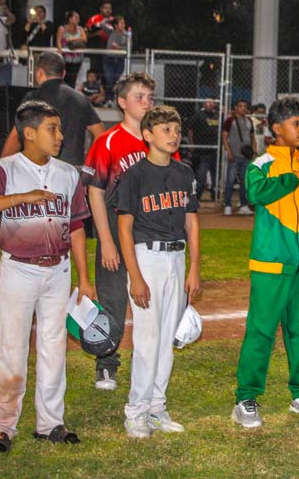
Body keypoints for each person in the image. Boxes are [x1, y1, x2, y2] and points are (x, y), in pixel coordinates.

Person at [0, 100, 91, 453]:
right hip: (19, 268)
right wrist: (23, 197)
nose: (60, 136)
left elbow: (77, 225)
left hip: (59, 270)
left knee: (54, 347)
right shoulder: (5, 169)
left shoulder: (68, 173)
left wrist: (85, 278)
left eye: (60, 129)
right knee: (12, 346)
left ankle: (50, 423)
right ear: (29, 133)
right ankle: (2, 426)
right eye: (52, 129)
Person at [232, 97, 299, 429]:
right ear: (276, 128)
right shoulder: (261, 166)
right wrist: (290, 179)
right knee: (260, 332)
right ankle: (246, 398)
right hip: (270, 267)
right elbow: (257, 193)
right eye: (296, 124)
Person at [115, 105, 200, 438]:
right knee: (148, 339)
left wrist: (195, 267)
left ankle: (156, 407)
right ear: (147, 135)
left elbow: (191, 222)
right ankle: (135, 412)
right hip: (146, 257)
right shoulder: (134, 175)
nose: (173, 135)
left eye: (176, 129)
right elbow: (125, 228)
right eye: (165, 129)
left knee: (167, 339)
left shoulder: (184, 173)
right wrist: (135, 276)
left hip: (176, 258)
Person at [80, 72, 156, 392]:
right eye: (140, 97)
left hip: (149, 231)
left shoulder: (158, 139)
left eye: (150, 97)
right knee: (112, 300)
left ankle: (149, 364)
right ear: (122, 102)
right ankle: (107, 364)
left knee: (150, 299)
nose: (147, 102)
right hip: (114, 227)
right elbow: (94, 192)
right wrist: (106, 240)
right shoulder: (108, 141)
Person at [0, 52, 105, 165]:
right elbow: (101, 134)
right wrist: (88, 163)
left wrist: (1, 169)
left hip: (41, 173)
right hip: (72, 173)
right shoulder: (81, 99)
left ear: (39, 73)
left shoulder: (33, 98)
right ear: (63, 74)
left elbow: (16, 138)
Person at [221, 99, 256, 215]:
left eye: (245, 106)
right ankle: (227, 205)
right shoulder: (230, 121)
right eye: (240, 106)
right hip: (234, 155)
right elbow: (224, 137)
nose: (243, 109)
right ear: (236, 108)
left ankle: (244, 205)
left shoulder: (249, 121)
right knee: (230, 181)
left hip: (246, 156)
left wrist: (254, 151)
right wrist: (229, 152)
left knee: (245, 182)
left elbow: (252, 137)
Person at [187, 99, 220, 202]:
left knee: (216, 176)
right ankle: (197, 196)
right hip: (202, 150)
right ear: (203, 104)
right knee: (201, 175)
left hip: (215, 150)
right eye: (208, 102)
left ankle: (215, 196)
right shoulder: (199, 115)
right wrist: (191, 143)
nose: (210, 104)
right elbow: (190, 129)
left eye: (212, 102)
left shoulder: (216, 115)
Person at [57, 11, 87, 88]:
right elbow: (58, 41)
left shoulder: (80, 29)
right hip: (66, 58)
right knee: (64, 78)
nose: (78, 20)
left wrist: (71, 39)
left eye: (78, 18)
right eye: (76, 18)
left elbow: (84, 39)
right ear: (70, 19)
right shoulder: (62, 28)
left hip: (77, 58)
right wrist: (60, 55)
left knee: (73, 79)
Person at [85, 1, 115, 75]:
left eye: (110, 8)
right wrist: (96, 34)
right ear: (101, 9)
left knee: (108, 74)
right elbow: (85, 34)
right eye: (106, 8)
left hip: (110, 51)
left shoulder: (114, 20)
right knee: (95, 73)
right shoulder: (94, 19)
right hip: (96, 50)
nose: (108, 10)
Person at [104, 16, 129, 103]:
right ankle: (108, 100)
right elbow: (102, 24)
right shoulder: (111, 32)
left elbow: (129, 48)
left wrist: (119, 47)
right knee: (109, 79)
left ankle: (114, 99)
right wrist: (109, 19)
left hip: (119, 60)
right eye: (121, 23)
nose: (123, 25)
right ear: (115, 25)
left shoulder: (127, 35)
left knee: (116, 80)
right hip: (109, 59)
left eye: (124, 23)